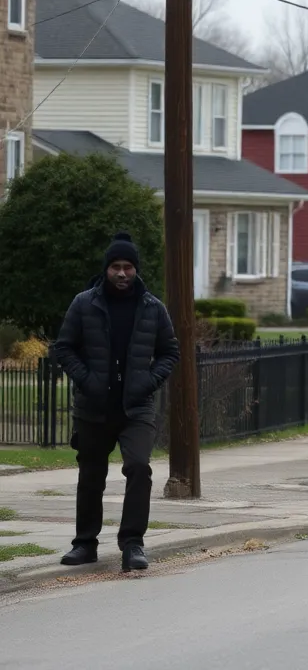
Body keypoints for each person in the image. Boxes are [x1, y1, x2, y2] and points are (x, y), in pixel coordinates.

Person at [53, 232, 181, 573]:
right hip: (94, 407)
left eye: (127, 267)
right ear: (106, 269)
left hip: (136, 408)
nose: (121, 273)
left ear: (136, 270)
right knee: (91, 474)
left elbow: (170, 352)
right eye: (115, 267)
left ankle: (133, 543)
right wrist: (87, 380)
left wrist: (148, 381)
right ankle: (84, 544)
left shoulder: (153, 308)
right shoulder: (84, 304)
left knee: (139, 468)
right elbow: (63, 347)